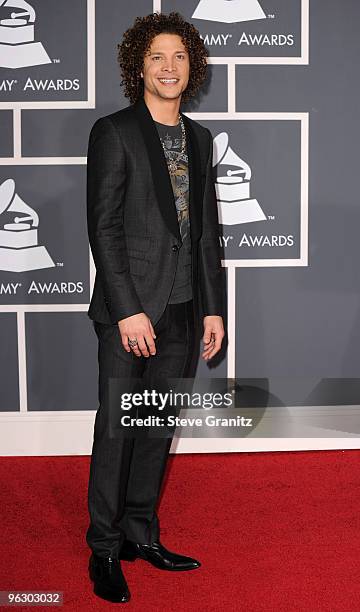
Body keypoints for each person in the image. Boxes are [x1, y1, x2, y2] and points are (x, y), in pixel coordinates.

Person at [86, 11, 225, 604]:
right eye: (156, 57)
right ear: (137, 67)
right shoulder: (114, 132)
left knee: (157, 428)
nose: (169, 67)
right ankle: (105, 547)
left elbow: (205, 233)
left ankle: (142, 532)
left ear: (191, 67)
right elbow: (104, 228)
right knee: (118, 430)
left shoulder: (198, 137)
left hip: (185, 308)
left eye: (179, 57)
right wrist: (127, 309)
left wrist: (213, 309)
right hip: (131, 312)